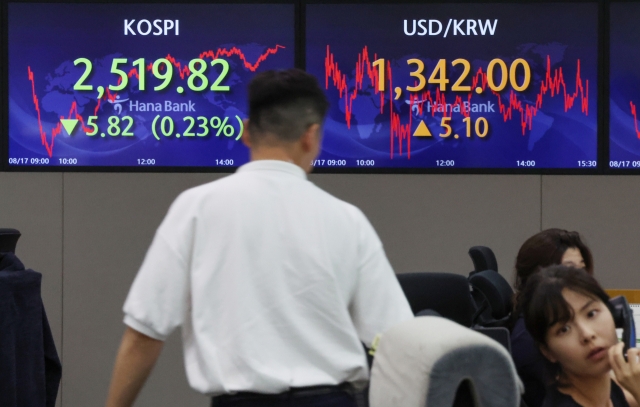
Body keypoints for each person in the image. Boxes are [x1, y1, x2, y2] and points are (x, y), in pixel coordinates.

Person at [104, 69, 413, 407]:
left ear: (247, 132)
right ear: (311, 136)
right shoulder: (348, 220)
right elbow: (396, 341)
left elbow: (143, 334)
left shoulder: (196, 209)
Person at [520, 265, 640, 407]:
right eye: (564, 329)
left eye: (591, 314)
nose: (587, 334)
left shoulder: (608, 386)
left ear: (615, 314)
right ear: (548, 352)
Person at [510, 229, 594, 407]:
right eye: (570, 270)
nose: (582, 279)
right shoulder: (530, 339)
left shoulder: (552, 322)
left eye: (582, 269)